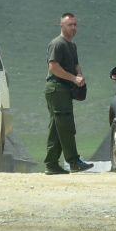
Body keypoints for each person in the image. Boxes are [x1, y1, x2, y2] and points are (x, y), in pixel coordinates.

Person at [44, 12, 91, 174]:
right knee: (66, 125)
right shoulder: (58, 44)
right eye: (70, 25)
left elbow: (76, 65)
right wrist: (73, 78)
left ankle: (51, 164)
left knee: (57, 127)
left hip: (64, 89)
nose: (73, 28)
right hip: (56, 88)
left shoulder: (72, 45)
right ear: (62, 26)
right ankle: (73, 161)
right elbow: (53, 67)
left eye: (75, 25)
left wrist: (80, 77)